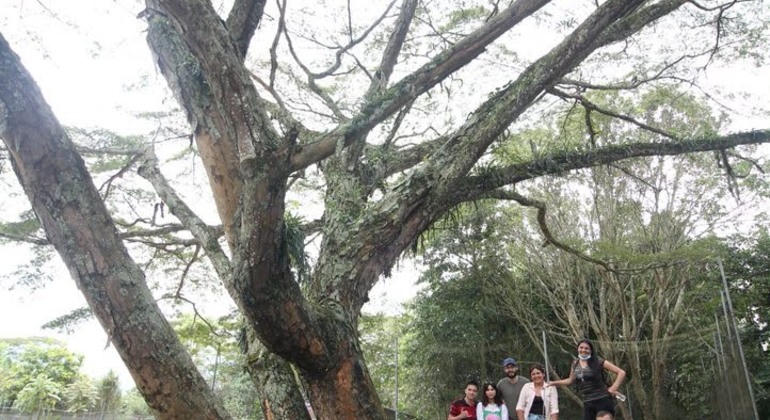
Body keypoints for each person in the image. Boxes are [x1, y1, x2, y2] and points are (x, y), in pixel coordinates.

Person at [546, 339, 626, 420]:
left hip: (603, 399)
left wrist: (614, 388)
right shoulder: (575, 363)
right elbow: (570, 380)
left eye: (586, 348)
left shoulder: (598, 361)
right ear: (578, 349)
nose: (583, 350)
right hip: (588, 402)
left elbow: (621, 372)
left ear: (591, 350)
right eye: (581, 347)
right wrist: (554, 383)